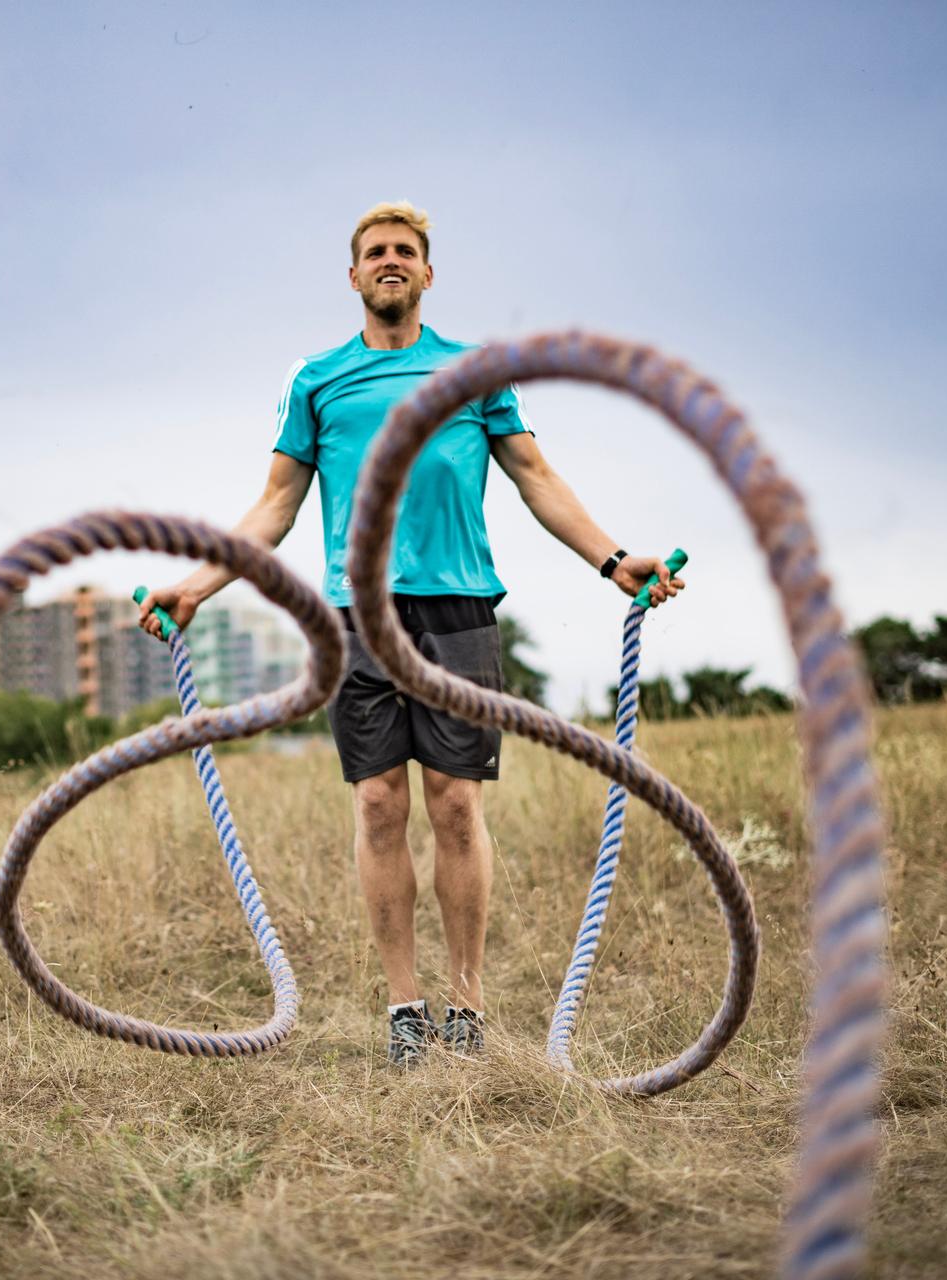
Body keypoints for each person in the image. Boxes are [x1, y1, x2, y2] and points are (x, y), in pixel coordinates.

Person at [139, 201, 683, 1067]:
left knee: (456, 805)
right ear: (353, 276)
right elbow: (276, 504)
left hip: (456, 610)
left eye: (405, 252)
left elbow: (536, 477)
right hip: (355, 617)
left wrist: (614, 560)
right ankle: (405, 1007)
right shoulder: (316, 380)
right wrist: (199, 583)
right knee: (379, 803)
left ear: (428, 274)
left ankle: (465, 1004)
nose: (390, 262)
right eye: (375, 253)